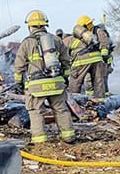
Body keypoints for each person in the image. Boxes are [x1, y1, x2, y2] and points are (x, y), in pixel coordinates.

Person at [13, 10, 75, 145]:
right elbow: (66, 61)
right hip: (56, 82)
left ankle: (41, 141)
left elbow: (19, 66)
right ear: (44, 25)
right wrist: (64, 78)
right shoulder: (56, 40)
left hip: (36, 85)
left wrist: (18, 83)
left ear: (30, 26)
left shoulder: (26, 43)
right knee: (61, 109)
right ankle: (68, 136)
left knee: (36, 111)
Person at [67, 16, 114, 98]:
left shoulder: (96, 31)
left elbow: (104, 45)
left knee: (77, 81)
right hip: (99, 59)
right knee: (99, 81)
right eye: (89, 23)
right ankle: (100, 100)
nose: (91, 25)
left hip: (84, 61)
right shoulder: (91, 34)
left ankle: (74, 99)